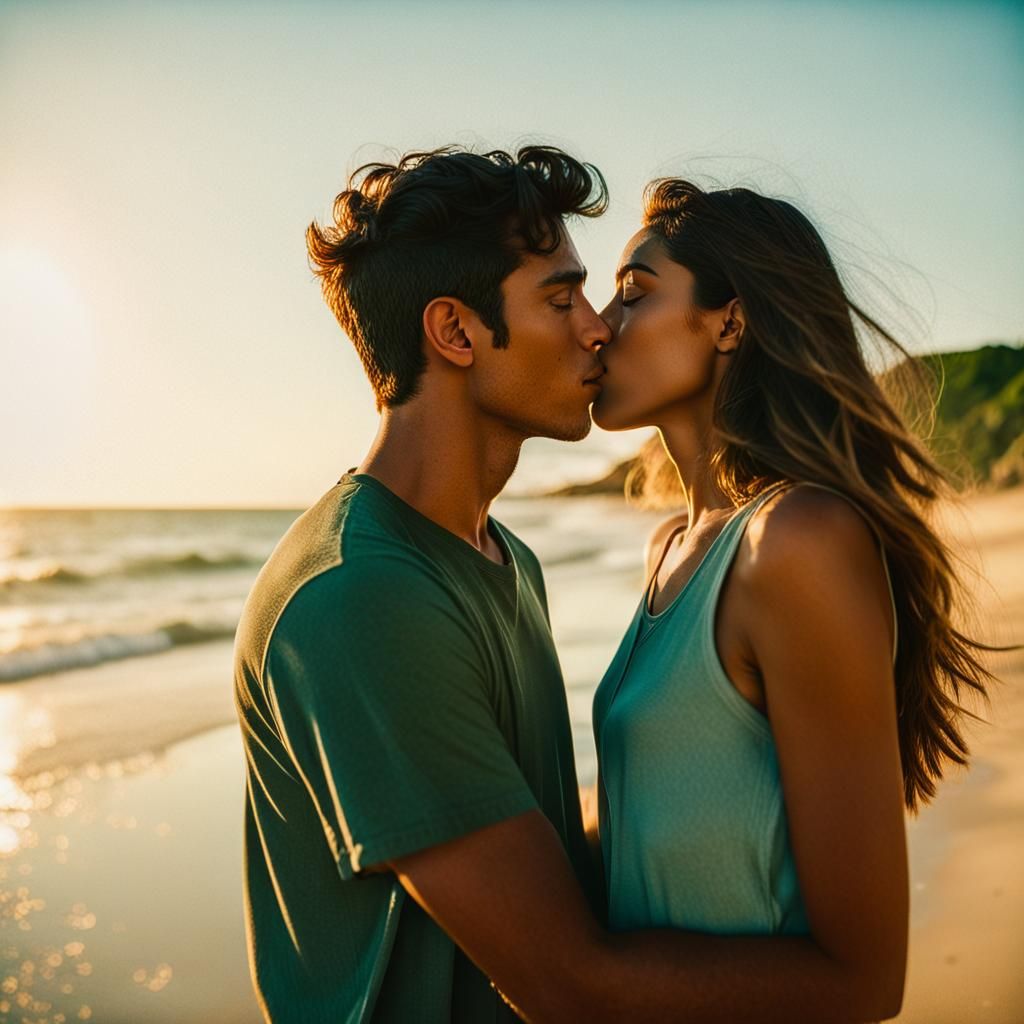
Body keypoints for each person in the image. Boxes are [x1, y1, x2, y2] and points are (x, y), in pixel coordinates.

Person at [589, 179, 996, 1017]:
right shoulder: (669, 546)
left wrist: (574, 978)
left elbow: (865, 980)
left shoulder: (798, 543)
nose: (598, 324)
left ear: (730, 321)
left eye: (632, 293)